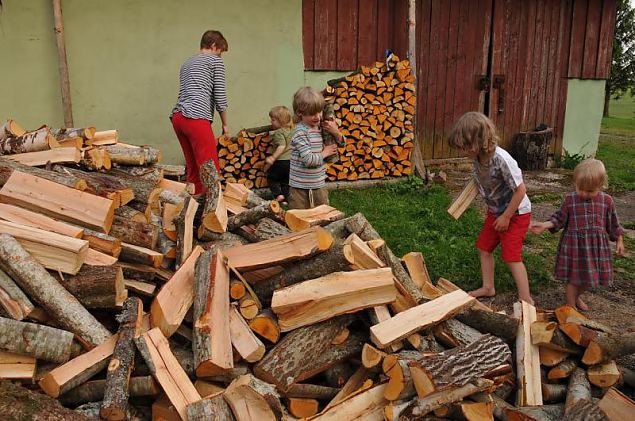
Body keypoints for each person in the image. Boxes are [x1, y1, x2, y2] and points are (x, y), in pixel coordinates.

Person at [448, 111, 534, 304]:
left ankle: (526, 298)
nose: (462, 151)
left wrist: (506, 217)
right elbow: (479, 182)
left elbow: (520, 191)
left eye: (464, 146)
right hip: (495, 212)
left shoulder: (502, 160)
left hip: (516, 213)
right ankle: (488, 287)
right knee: (484, 247)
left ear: (479, 140)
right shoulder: (478, 158)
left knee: (511, 256)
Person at [530, 159, 625, 310]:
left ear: (601, 186)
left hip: (595, 249)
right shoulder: (570, 200)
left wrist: (619, 240)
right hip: (574, 248)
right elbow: (559, 218)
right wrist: (544, 225)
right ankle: (570, 305)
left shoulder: (607, 201)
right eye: (580, 188)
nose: (584, 194)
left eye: (590, 191)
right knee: (573, 278)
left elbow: (613, 223)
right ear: (575, 182)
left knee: (589, 278)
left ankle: (576, 297)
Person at [171, 30, 230, 196]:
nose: (221, 57)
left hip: (178, 117)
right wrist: (225, 124)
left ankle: (192, 212)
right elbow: (220, 95)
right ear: (213, 46)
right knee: (209, 166)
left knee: (193, 169)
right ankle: (212, 213)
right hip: (196, 117)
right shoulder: (215, 62)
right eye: (220, 52)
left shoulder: (187, 63)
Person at [288, 87, 343, 209]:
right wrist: (325, 153)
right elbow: (309, 160)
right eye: (312, 113)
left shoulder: (320, 127)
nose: (317, 117)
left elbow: (342, 143)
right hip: (299, 187)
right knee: (299, 219)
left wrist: (335, 132)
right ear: (299, 113)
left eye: (320, 112)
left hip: (318, 184)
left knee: (322, 216)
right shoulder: (300, 132)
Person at [264, 106, 293, 203]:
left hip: (280, 161)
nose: (271, 122)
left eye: (273, 120)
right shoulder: (291, 131)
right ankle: (286, 198)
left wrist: (273, 157)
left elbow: (281, 146)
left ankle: (278, 195)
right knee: (286, 182)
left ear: (281, 121)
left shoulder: (279, 132)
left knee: (272, 178)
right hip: (291, 162)